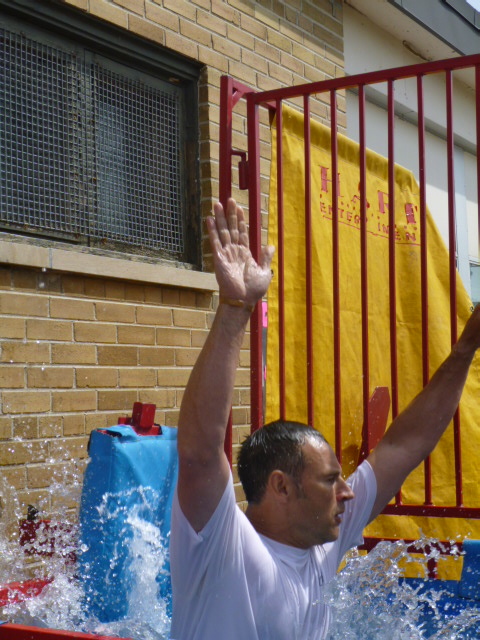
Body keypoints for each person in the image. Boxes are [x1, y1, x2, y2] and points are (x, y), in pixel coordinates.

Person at [169, 197, 480, 640]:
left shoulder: (320, 539)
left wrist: (467, 348)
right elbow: (200, 453)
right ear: (281, 487)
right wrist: (235, 310)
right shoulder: (222, 547)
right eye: (330, 480)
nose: (347, 491)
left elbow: (404, 445)